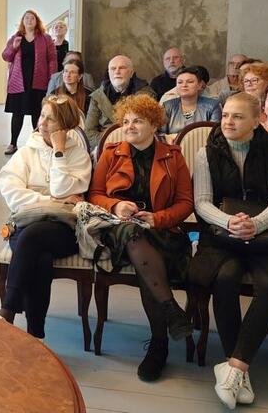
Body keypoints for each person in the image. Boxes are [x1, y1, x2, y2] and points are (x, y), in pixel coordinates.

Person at [189, 92, 268, 409]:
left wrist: (255, 224)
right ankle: (236, 366)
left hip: (265, 236)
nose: (228, 122)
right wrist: (230, 222)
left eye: (238, 117)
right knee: (225, 278)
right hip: (221, 236)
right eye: (225, 115)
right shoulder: (206, 153)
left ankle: (236, 367)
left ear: (256, 121)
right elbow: (202, 202)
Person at [88, 93, 194, 381]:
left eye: (138, 121)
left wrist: (158, 218)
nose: (129, 126)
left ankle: (159, 343)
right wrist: (116, 205)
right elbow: (94, 194)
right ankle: (168, 317)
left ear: (154, 125)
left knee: (149, 266)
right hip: (119, 228)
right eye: (125, 121)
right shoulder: (111, 153)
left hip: (160, 229)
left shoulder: (173, 156)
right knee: (133, 234)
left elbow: (185, 203)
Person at [0, 95, 91, 339]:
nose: (42, 123)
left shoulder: (78, 156)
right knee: (41, 257)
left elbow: (61, 188)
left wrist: (59, 152)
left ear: (66, 125)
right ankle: (35, 333)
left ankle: (7, 311)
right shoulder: (26, 152)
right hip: (26, 223)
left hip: (65, 229)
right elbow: (12, 193)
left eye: (51, 119)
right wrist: (52, 201)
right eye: (42, 115)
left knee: (33, 237)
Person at [2, 9, 59, 155]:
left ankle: (40, 143)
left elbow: (52, 59)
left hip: (39, 81)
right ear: (23, 21)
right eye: (26, 18)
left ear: (36, 21)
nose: (29, 20)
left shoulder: (45, 38)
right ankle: (13, 143)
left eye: (32, 18)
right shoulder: (16, 37)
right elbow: (6, 56)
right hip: (19, 82)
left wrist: (52, 79)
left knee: (38, 114)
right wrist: (14, 47)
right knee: (17, 114)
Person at [85, 55, 155, 147]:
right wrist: (110, 143)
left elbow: (150, 128)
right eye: (113, 68)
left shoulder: (145, 95)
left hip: (137, 146)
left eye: (122, 68)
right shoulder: (97, 97)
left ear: (131, 73)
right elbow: (89, 132)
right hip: (105, 146)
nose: (117, 72)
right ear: (109, 73)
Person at [161, 66, 222, 135]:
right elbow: (159, 134)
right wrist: (167, 137)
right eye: (180, 82)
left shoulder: (213, 106)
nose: (184, 85)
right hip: (172, 142)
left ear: (200, 85)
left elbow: (215, 134)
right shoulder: (167, 106)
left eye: (190, 82)